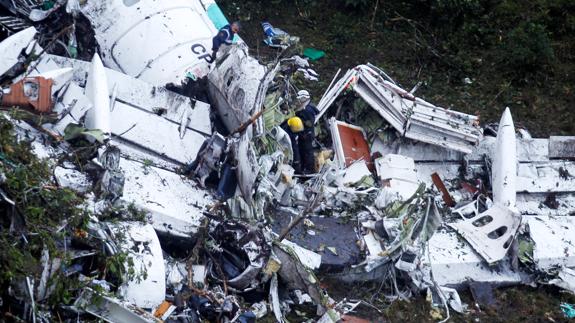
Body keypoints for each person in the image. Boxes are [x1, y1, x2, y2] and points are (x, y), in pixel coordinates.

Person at [281, 90, 319, 174]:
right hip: (304, 134)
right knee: (303, 151)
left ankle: (310, 170)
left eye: (300, 99)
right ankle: (303, 168)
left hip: (307, 134)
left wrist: (301, 121)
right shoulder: (306, 108)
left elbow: (309, 123)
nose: (299, 101)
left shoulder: (308, 110)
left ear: (304, 98)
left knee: (307, 152)